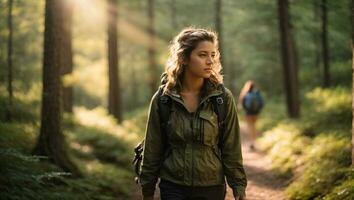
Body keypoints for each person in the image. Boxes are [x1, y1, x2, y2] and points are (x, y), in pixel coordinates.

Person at [139, 27, 247, 200]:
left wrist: (238, 186)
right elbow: (153, 147)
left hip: (211, 186)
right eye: (203, 55)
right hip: (173, 186)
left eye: (213, 55)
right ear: (183, 58)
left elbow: (231, 147)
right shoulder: (163, 99)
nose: (210, 61)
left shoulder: (221, 98)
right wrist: (147, 188)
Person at [238, 80, 264, 150]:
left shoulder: (245, 94)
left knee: (250, 127)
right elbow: (262, 103)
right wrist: (258, 110)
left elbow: (242, 104)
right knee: (254, 127)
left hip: (248, 113)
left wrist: (245, 109)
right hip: (256, 113)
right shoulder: (257, 93)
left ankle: (251, 142)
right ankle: (254, 142)